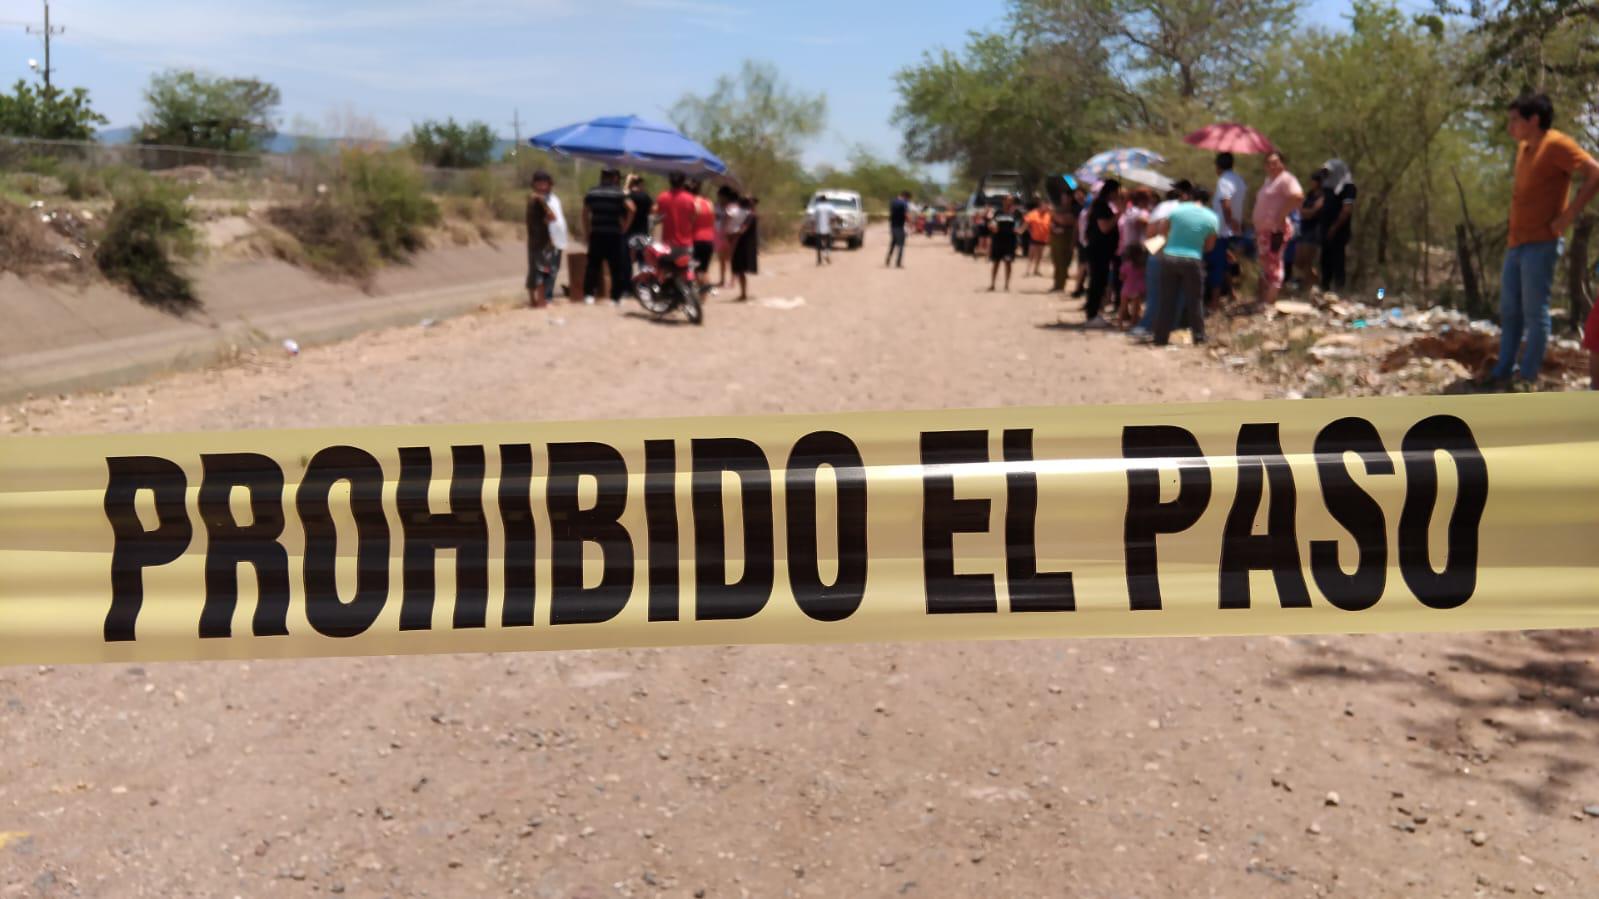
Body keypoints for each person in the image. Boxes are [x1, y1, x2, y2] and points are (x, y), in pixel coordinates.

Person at [1483, 92, 1599, 388]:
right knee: (1510, 312)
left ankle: (1528, 375)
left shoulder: (1557, 144)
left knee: (1536, 313)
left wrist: (1568, 216)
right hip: (1516, 244)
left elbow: (1594, 173)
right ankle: (1503, 370)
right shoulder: (1525, 149)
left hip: (1542, 244)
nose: (1510, 128)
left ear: (1533, 120)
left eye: (1514, 121)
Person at [1153, 189, 1220, 347]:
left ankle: (1160, 338)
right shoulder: (1212, 217)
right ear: (1206, 200)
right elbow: (1210, 246)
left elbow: (1162, 230)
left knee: (1167, 300)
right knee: (1195, 301)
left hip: (1170, 257)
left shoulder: (1176, 210)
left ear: (1190, 197)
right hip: (1193, 259)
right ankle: (1199, 336)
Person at [1129, 180, 1192, 341]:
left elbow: (1151, 233)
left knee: (1155, 294)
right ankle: (1172, 327)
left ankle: (1147, 325)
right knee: (1179, 294)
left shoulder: (1160, 208)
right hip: (1180, 255)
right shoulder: (1186, 209)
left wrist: (1153, 248)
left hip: (1157, 254)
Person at [1252, 151, 1304, 310]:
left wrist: (1281, 216)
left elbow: (1297, 196)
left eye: (1275, 162)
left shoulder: (1286, 179)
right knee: (1266, 264)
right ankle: (1265, 299)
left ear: (1282, 163)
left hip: (1276, 230)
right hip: (1264, 230)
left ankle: (1269, 301)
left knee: (1274, 263)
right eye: (1268, 162)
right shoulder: (1269, 181)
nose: (1272, 165)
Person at [581, 167, 634, 306]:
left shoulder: (592, 192)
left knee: (593, 265)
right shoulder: (619, 193)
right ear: (614, 178)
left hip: (597, 232)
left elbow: (585, 213)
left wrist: (587, 231)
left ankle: (588, 295)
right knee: (616, 266)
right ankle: (615, 297)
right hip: (614, 233)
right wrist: (625, 227)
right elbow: (632, 209)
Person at [1207, 152, 1248, 307]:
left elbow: (1226, 202)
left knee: (1217, 264)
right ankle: (1231, 293)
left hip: (1222, 230)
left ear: (1218, 166)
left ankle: (1214, 301)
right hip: (1230, 230)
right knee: (1225, 263)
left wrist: (1231, 221)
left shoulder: (1224, 180)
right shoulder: (1239, 180)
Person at [1083, 179, 1122, 327]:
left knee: (1100, 281)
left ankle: (1095, 312)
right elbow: (1104, 227)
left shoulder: (1103, 205)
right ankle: (1092, 314)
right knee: (1097, 282)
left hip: (1103, 251)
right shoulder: (1101, 206)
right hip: (1099, 250)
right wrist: (1118, 215)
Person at [1117, 189, 1155, 328]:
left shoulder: (1129, 212)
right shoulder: (1140, 213)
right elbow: (1146, 223)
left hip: (1128, 250)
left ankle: (1124, 316)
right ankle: (1134, 319)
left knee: (1127, 286)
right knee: (1138, 288)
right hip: (1137, 252)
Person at [1319, 159, 1357, 292]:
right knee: (1325, 259)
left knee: (1338, 258)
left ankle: (1339, 289)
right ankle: (1325, 288)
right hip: (1325, 228)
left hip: (1339, 229)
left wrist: (1334, 227)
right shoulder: (1327, 187)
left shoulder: (1348, 188)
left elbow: (1346, 210)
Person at [655, 171, 699, 276]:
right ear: (683, 182)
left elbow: (658, 216)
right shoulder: (690, 198)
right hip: (685, 244)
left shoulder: (662, 197)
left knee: (664, 272)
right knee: (685, 273)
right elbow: (695, 216)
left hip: (667, 244)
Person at [525, 170, 557, 309]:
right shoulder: (539, 199)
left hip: (533, 239)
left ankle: (533, 300)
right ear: (536, 184)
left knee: (533, 270)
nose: (545, 186)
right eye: (542, 183)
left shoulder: (531, 198)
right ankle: (541, 302)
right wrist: (546, 220)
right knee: (541, 271)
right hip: (540, 241)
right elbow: (552, 216)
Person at [1293, 170, 1328, 290]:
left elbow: (1312, 212)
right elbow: (1300, 209)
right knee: (1298, 261)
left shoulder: (1323, 197)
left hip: (1314, 230)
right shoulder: (1309, 195)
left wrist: (1305, 212)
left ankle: (1313, 286)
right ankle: (1312, 283)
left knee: (1307, 261)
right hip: (1303, 228)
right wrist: (1304, 212)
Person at [1048, 179, 1081, 292]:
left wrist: (1054, 215)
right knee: (1056, 260)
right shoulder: (1058, 208)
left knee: (1064, 261)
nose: (1064, 199)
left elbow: (1066, 221)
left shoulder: (1074, 209)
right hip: (1056, 236)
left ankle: (1061, 284)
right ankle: (1057, 283)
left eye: (1066, 197)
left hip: (1067, 237)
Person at [987, 193, 1021, 291]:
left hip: (1010, 241)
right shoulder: (997, 212)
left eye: (1012, 200)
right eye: (1008, 200)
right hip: (998, 240)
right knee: (996, 263)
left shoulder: (1016, 213)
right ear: (1004, 201)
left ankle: (1006, 285)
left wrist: (1018, 231)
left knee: (1008, 262)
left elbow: (1019, 225)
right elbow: (991, 223)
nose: (1010, 202)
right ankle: (992, 284)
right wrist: (992, 227)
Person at [730, 195, 760, 301]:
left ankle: (743, 294)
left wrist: (732, 233)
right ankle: (743, 293)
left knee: (741, 269)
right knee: (741, 270)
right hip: (747, 245)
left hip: (744, 245)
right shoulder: (751, 215)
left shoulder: (750, 216)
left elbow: (742, 230)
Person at [687, 178, 717, 281]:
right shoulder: (709, 203)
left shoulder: (692, 203)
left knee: (695, 269)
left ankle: (697, 294)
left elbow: (690, 222)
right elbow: (713, 220)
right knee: (704, 270)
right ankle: (703, 295)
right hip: (709, 239)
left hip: (696, 239)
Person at [714, 185, 738, 287]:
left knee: (731, 258)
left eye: (721, 196)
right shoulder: (717, 206)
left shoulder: (733, 207)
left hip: (729, 234)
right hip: (718, 233)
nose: (720, 198)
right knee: (721, 258)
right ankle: (722, 279)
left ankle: (733, 279)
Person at [1024, 200, 1052, 277]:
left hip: (1043, 238)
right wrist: (1028, 231)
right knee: (1031, 255)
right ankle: (1028, 270)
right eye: (1045, 206)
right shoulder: (1033, 214)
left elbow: (1050, 226)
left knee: (1040, 255)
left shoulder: (1049, 215)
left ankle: (1036, 270)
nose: (1046, 208)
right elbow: (1027, 224)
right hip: (1034, 237)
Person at [887, 190, 910, 268]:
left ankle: (888, 258)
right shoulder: (904, 203)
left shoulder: (893, 201)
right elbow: (906, 214)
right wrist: (910, 222)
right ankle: (898, 262)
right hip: (900, 226)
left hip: (893, 226)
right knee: (901, 245)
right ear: (906, 197)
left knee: (893, 243)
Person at [812, 197, 834, 265]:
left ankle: (819, 260)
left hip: (819, 228)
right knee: (828, 243)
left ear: (820, 201)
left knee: (818, 245)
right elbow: (833, 217)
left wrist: (813, 228)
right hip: (828, 228)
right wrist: (831, 224)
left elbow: (814, 219)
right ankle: (826, 254)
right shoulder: (830, 207)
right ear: (826, 200)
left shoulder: (817, 207)